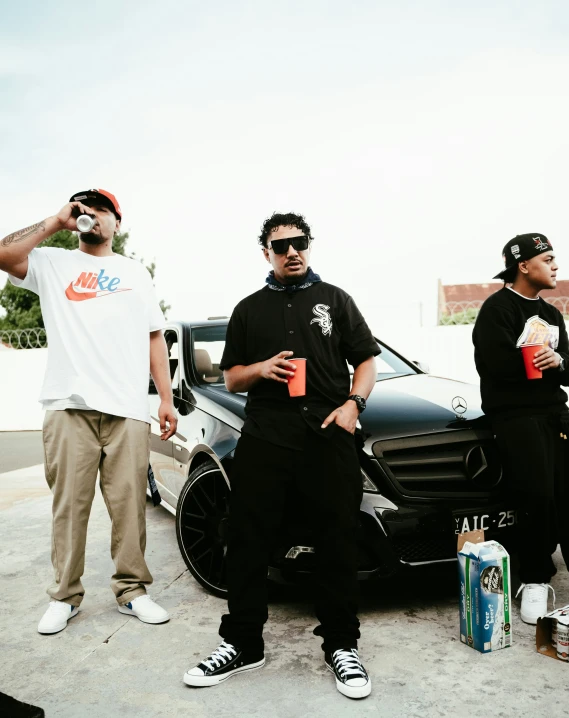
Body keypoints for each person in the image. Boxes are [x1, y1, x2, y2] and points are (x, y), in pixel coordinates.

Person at [183, 212, 379, 699]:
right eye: (281, 245)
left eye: (300, 242)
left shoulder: (336, 299)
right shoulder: (249, 309)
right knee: (247, 539)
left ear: (309, 246)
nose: (292, 251)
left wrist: (354, 404)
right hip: (267, 437)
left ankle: (341, 645)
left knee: (337, 540)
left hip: (328, 435)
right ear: (266, 253)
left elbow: (367, 359)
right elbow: (231, 379)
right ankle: (244, 643)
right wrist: (262, 368)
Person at [0, 189, 177, 633]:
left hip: (126, 408)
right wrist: (54, 223)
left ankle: (132, 591)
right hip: (68, 405)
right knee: (69, 507)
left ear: (117, 221)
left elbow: (155, 336)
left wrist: (166, 397)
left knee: (130, 507)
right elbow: (4, 254)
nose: (90, 215)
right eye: (82, 208)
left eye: (100, 209)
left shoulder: (135, 273)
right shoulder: (51, 262)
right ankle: (65, 596)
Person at [472, 233, 569, 624]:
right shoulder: (497, 309)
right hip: (515, 416)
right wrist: (532, 359)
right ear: (523, 265)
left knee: (565, 493)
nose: (555, 266)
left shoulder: (553, 314)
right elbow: (491, 366)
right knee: (535, 495)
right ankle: (532, 578)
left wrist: (558, 361)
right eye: (547, 259)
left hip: (555, 414)